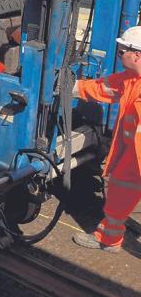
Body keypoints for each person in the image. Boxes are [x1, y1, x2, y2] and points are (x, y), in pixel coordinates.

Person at [72, 25, 141, 252]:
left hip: (136, 157)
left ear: (137, 55)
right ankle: (108, 239)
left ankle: (108, 240)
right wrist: (73, 87)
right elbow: (105, 88)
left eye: (122, 52)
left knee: (121, 189)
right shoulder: (131, 79)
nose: (119, 55)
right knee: (120, 191)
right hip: (133, 156)